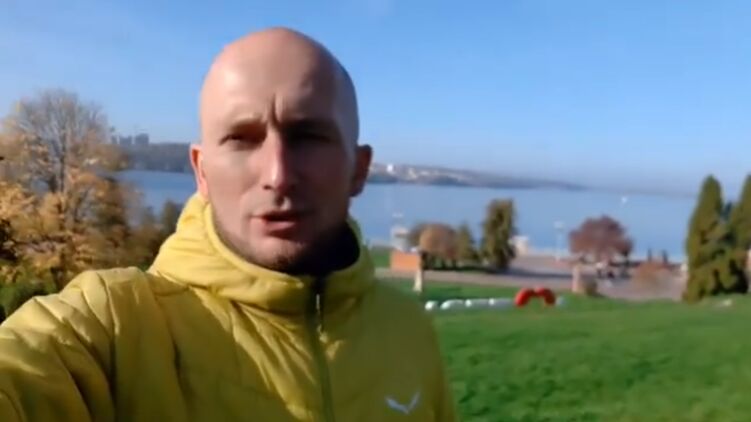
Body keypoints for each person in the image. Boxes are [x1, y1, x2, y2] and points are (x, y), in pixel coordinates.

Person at [0, 28, 456, 421]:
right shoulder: (117, 328)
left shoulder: (408, 331)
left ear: (359, 169)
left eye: (308, 136)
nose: (277, 174)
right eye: (241, 139)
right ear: (201, 171)